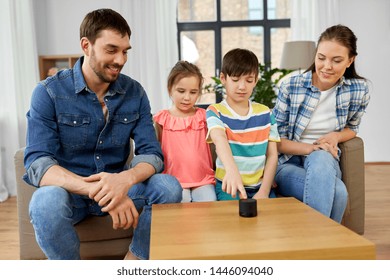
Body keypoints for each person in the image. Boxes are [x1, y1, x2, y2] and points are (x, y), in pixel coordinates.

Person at [23, 8, 182, 260]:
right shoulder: (48, 92)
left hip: (121, 185)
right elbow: (38, 164)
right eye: (111, 50)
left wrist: (124, 181)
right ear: (86, 45)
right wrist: (104, 191)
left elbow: (151, 154)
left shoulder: (135, 92)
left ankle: (135, 260)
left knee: (168, 186)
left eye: (125, 51)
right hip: (71, 194)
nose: (120, 59)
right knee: (45, 202)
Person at [272, 24, 370, 223]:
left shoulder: (359, 90)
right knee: (340, 193)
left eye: (337, 60)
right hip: (287, 162)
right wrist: (313, 148)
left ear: (350, 61)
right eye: (321, 58)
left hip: (325, 161)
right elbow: (276, 140)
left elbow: (352, 127)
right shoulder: (291, 85)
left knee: (322, 158)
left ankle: (313, 246)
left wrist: (335, 136)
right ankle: (325, 247)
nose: (327, 66)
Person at [206, 48, 280, 201]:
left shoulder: (266, 113)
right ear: (223, 78)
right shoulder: (215, 111)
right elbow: (219, 140)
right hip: (229, 185)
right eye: (235, 79)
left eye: (249, 80)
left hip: (260, 186)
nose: (242, 86)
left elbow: (272, 155)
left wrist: (264, 191)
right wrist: (232, 171)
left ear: (256, 80)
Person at [154, 61, 216, 203]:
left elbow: (214, 148)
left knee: (209, 202)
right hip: (174, 181)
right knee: (181, 206)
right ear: (170, 89)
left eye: (193, 92)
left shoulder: (205, 117)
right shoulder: (161, 119)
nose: (187, 97)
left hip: (203, 179)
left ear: (199, 93)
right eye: (181, 91)